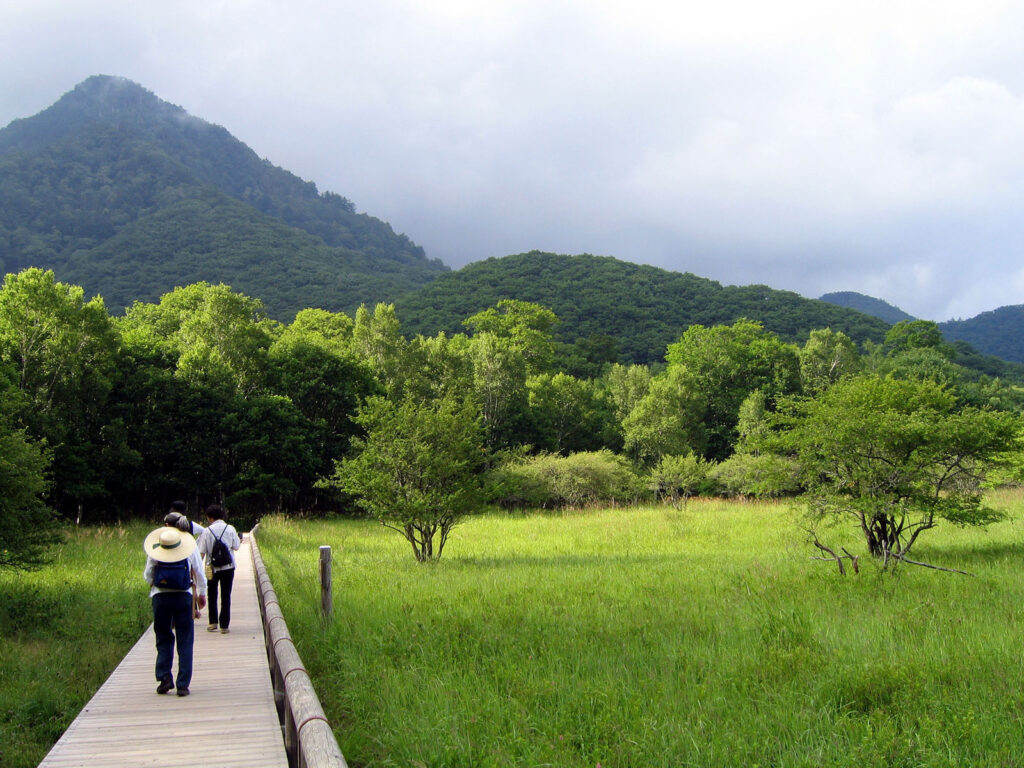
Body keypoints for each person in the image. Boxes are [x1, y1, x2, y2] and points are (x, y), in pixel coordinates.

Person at [144, 525, 207, 696]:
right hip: (183, 597)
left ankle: (164, 677)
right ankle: (183, 684)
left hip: (160, 597)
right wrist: (202, 593)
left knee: (163, 636)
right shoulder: (188, 547)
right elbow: (199, 572)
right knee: (185, 639)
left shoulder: (156, 550)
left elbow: (148, 574)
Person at [197, 504, 241, 634]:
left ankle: (212, 622)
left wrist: (198, 568)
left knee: (212, 594)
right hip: (228, 567)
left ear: (210, 518)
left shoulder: (206, 531)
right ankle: (224, 625)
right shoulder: (230, 528)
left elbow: (202, 552)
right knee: (226, 595)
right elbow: (236, 546)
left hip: (211, 568)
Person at [164, 502, 207, 619]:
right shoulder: (191, 524)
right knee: (189, 581)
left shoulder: (163, 537)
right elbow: (204, 531)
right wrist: (197, 545)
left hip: (163, 586)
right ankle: (194, 609)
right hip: (188, 559)